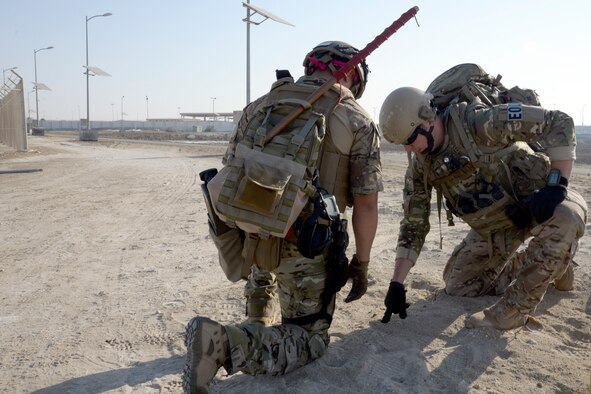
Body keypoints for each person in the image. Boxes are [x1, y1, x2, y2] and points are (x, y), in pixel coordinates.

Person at [184, 41, 383, 393]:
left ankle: (257, 318)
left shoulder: (260, 105)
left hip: (249, 230)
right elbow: (366, 205)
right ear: (353, 76)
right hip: (306, 244)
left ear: (310, 67)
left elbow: (233, 171)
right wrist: (361, 265)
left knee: (266, 221)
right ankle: (226, 344)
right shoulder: (357, 119)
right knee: (310, 338)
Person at [378, 85, 587, 330]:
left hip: (540, 204)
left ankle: (513, 310)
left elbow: (558, 122)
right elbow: (414, 224)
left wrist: (556, 184)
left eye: (411, 140)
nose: (408, 149)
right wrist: (397, 283)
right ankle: (552, 265)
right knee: (458, 285)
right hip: (499, 225)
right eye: (403, 144)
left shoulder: (482, 123)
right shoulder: (421, 167)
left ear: (428, 120)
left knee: (566, 217)